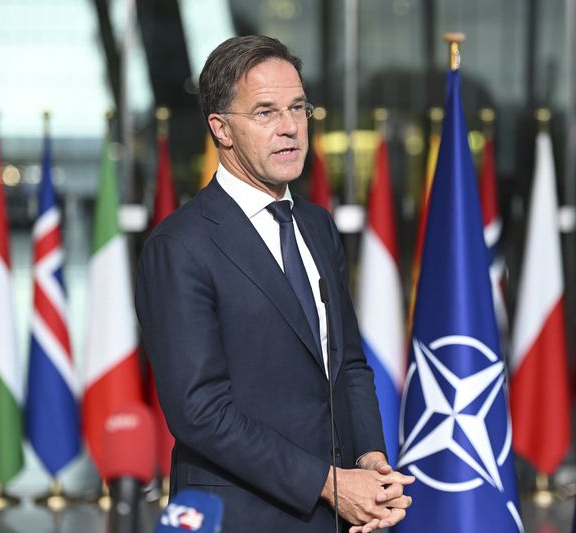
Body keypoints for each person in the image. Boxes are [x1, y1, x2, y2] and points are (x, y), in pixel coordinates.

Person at [135, 35, 414, 533]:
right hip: (241, 516)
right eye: (265, 112)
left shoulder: (317, 225)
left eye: (298, 108)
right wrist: (329, 484)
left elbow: (348, 362)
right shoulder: (179, 245)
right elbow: (200, 412)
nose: (290, 128)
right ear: (221, 129)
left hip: (336, 516)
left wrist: (370, 459)